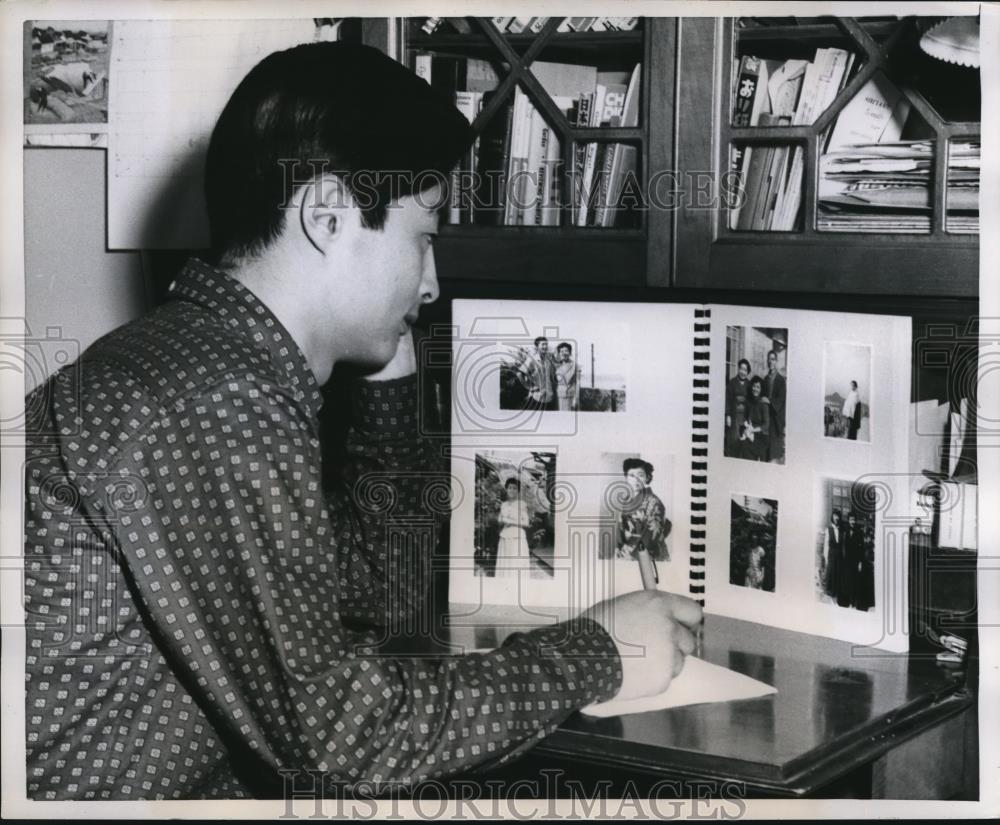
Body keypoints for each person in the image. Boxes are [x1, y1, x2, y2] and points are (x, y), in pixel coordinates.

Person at [23, 42, 702, 800]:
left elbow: (378, 598)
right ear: (328, 216)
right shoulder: (213, 397)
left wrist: (386, 368)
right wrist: (598, 652)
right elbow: (346, 743)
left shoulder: (204, 359)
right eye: (424, 237)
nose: (432, 283)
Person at [616, 458, 671, 562]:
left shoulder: (654, 502)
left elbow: (651, 537)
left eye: (640, 475)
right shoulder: (626, 500)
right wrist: (619, 546)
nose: (636, 480)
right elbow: (620, 528)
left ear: (647, 478)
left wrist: (630, 555)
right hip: (626, 550)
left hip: (646, 554)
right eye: (632, 475)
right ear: (626, 477)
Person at [494, 478, 532, 575]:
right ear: (506, 489)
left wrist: (511, 521)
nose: (512, 490)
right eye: (510, 488)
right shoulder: (503, 504)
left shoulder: (521, 504)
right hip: (505, 535)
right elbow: (499, 520)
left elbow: (526, 522)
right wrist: (501, 519)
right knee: (505, 563)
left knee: (515, 563)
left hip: (517, 537)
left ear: (518, 491)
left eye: (514, 488)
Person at [520, 336, 558, 410]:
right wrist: (528, 387)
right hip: (536, 398)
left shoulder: (548, 361)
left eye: (546, 344)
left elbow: (552, 377)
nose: (545, 346)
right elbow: (520, 374)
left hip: (549, 398)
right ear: (537, 347)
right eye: (543, 344)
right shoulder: (532, 360)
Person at [762, 349, 786, 463]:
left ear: (776, 361)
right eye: (769, 359)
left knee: (774, 453)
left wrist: (769, 401)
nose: (770, 362)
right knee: (765, 450)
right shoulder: (765, 379)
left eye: (772, 359)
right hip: (766, 416)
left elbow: (781, 399)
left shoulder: (781, 380)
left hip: (776, 418)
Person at [739, 375, 770, 462]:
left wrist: (752, 430)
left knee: (746, 449)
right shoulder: (749, 402)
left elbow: (766, 425)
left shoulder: (764, 404)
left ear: (761, 389)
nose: (755, 389)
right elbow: (745, 417)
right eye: (754, 386)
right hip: (750, 433)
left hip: (761, 436)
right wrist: (746, 425)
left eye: (758, 387)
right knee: (741, 446)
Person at [725, 358, 751, 456]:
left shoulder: (749, 384)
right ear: (738, 369)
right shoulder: (732, 382)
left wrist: (749, 418)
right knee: (733, 438)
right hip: (734, 415)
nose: (743, 372)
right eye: (741, 369)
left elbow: (751, 402)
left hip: (744, 416)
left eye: (745, 370)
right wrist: (728, 415)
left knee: (743, 438)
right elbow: (727, 400)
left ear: (747, 372)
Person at [840, 512, 865, 608]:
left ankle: (854, 603)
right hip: (847, 561)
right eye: (851, 520)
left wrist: (860, 563)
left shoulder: (859, 532)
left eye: (854, 520)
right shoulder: (845, 531)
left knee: (855, 582)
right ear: (848, 520)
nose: (853, 522)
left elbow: (862, 549)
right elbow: (843, 546)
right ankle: (847, 602)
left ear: (856, 521)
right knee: (847, 582)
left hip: (855, 561)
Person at [823, 508, 844, 600]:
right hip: (831, 554)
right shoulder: (828, 529)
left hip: (839, 555)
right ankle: (830, 592)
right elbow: (826, 545)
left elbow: (843, 544)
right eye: (835, 516)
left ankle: (837, 592)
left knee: (838, 573)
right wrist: (826, 558)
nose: (837, 518)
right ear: (832, 517)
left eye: (838, 516)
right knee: (831, 572)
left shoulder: (841, 530)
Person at [554, 342, 578, 411]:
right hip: (557, 395)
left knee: (567, 415)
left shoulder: (574, 365)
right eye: (561, 351)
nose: (564, 353)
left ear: (570, 353)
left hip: (569, 395)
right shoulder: (555, 365)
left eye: (566, 351)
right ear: (559, 353)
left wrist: (575, 398)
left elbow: (577, 383)